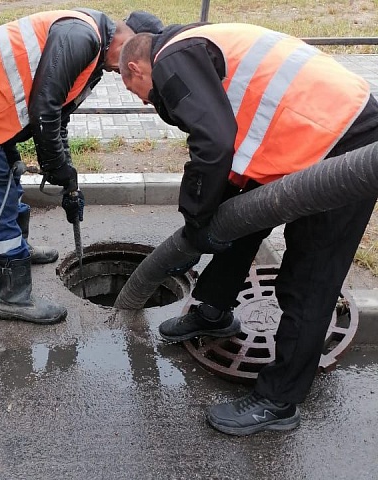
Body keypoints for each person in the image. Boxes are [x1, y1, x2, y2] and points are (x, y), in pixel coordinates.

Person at [119, 25, 378, 435]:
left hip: (345, 141)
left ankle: (278, 402)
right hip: (298, 134)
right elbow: (228, 139)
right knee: (236, 219)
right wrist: (201, 225)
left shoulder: (170, 59)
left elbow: (214, 142)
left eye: (139, 91)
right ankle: (214, 312)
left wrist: (195, 219)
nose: (149, 102)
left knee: (309, 276)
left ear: (136, 67)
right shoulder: (194, 43)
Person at [0, 9, 162, 325]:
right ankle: (13, 297)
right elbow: (44, 108)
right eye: (141, 56)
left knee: (10, 171)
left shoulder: (94, 62)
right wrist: (54, 165)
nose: (127, 72)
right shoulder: (82, 38)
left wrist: (65, 169)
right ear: (130, 38)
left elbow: (59, 117)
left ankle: (17, 250)